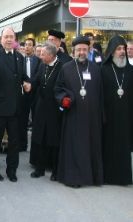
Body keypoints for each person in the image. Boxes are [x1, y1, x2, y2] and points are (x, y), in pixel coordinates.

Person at [55, 35, 103, 188]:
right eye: (78, 50)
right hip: (74, 115)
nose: (82, 52)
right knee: (74, 147)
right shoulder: (66, 68)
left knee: (90, 147)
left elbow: (101, 93)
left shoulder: (95, 69)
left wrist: (102, 115)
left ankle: (92, 177)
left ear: (89, 50)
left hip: (92, 117)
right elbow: (58, 89)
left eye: (84, 49)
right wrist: (64, 99)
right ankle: (74, 178)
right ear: (73, 51)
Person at [0, 27, 31, 182]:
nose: (9, 39)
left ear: (15, 39)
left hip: (15, 107)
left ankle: (12, 170)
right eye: (6, 37)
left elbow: (23, 76)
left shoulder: (20, 57)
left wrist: (27, 83)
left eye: (11, 37)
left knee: (14, 142)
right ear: (1, 40)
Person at [101, 35, 133, 185]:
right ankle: (107, 176)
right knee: (108, 145)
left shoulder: (131, 70)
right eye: (118, 49)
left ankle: (123, 177)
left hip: (126, 116)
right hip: (109, 115)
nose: (122, 52)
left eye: (123, 49)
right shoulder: (103, 69)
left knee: (123, 146)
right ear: (112, 51)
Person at [30, 43, 63, 181]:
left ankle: (56, 171)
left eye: (43, 54)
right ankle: (40, 169)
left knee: (54, 142)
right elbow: (36, 80)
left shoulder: (62, 67)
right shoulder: (42, 65)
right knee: (40, 140)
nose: (40, 56)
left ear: (50, 55)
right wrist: (27, 84)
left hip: (55, 111)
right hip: (41, 108)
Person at [19, 38, 40, 151]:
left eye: (29, 45)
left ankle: (36, 147)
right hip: (23, 94)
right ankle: (22, 144)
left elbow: (38, 75)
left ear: (33, 47)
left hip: (35, 93)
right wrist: (24, 84)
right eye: (26, 44)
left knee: (36, 119)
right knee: (22, 120)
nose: (27, 47)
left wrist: (30, 84)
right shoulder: (19, 59)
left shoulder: (38, 60)